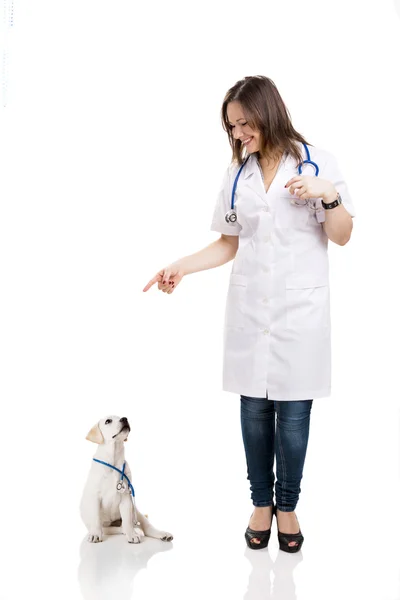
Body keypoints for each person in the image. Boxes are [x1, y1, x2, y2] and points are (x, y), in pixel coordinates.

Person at [143, 75, 355, 553]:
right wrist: (181, 266)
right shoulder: (237, 174)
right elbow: (228, 242)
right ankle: (261, 503)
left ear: (268, 111)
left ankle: (289, 505)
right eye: (232, 127)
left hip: (300, 313)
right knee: (255, 409)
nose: (238, 134)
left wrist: (328, 194)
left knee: (295, 414)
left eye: (243, 123)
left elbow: (342, 234)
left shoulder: (317, 162)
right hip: (250, 307)